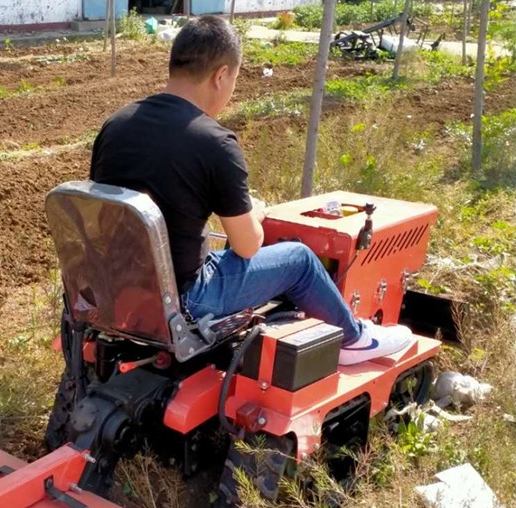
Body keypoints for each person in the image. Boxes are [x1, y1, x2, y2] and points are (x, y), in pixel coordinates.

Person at [89, 15, 413, 366]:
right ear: (221, 75)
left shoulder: (116, 125)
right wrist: (255, 215)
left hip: (116, 289)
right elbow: (247, 245)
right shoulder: (214, 142)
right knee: (300, 260)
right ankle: (353, 339)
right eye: (234, 81)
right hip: (185, 298)